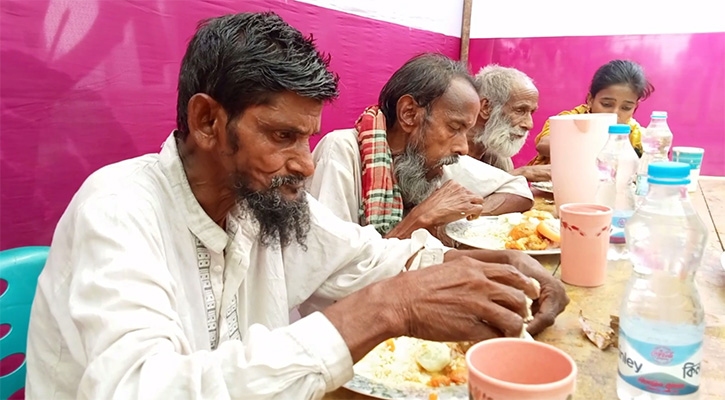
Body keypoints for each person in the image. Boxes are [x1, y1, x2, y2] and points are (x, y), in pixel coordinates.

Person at [25, 13, 567, 399]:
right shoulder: (119, 208)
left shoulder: (262, 205)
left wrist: (501, 267)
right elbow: (139, 387)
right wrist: (385, 309)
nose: (306, 164)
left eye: (306, 138)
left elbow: (372, 256)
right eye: (282, 135)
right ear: (207, 121)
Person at [307, 54, 534, 241]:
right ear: (409, 114)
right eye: (455, 127)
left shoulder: (438, 161)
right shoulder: (341, 152)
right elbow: (334, 273)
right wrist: (421, 218)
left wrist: (458, 217)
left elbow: (519, 191)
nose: (464, 147)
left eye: (467, 131)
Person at [529, 59, 654, 165]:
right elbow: (543, 144)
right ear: (590, 99)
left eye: (626, 108)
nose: (615, 113)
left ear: (635, 107)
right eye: (606, 104)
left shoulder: (635, 133)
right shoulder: (570, 119)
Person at [466, 65, 550, 182]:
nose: (529, 124)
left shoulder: (497, 154)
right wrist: (522, 173)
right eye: (520, 110)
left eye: (532, 112)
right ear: (486, 107)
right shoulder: (448, 149)